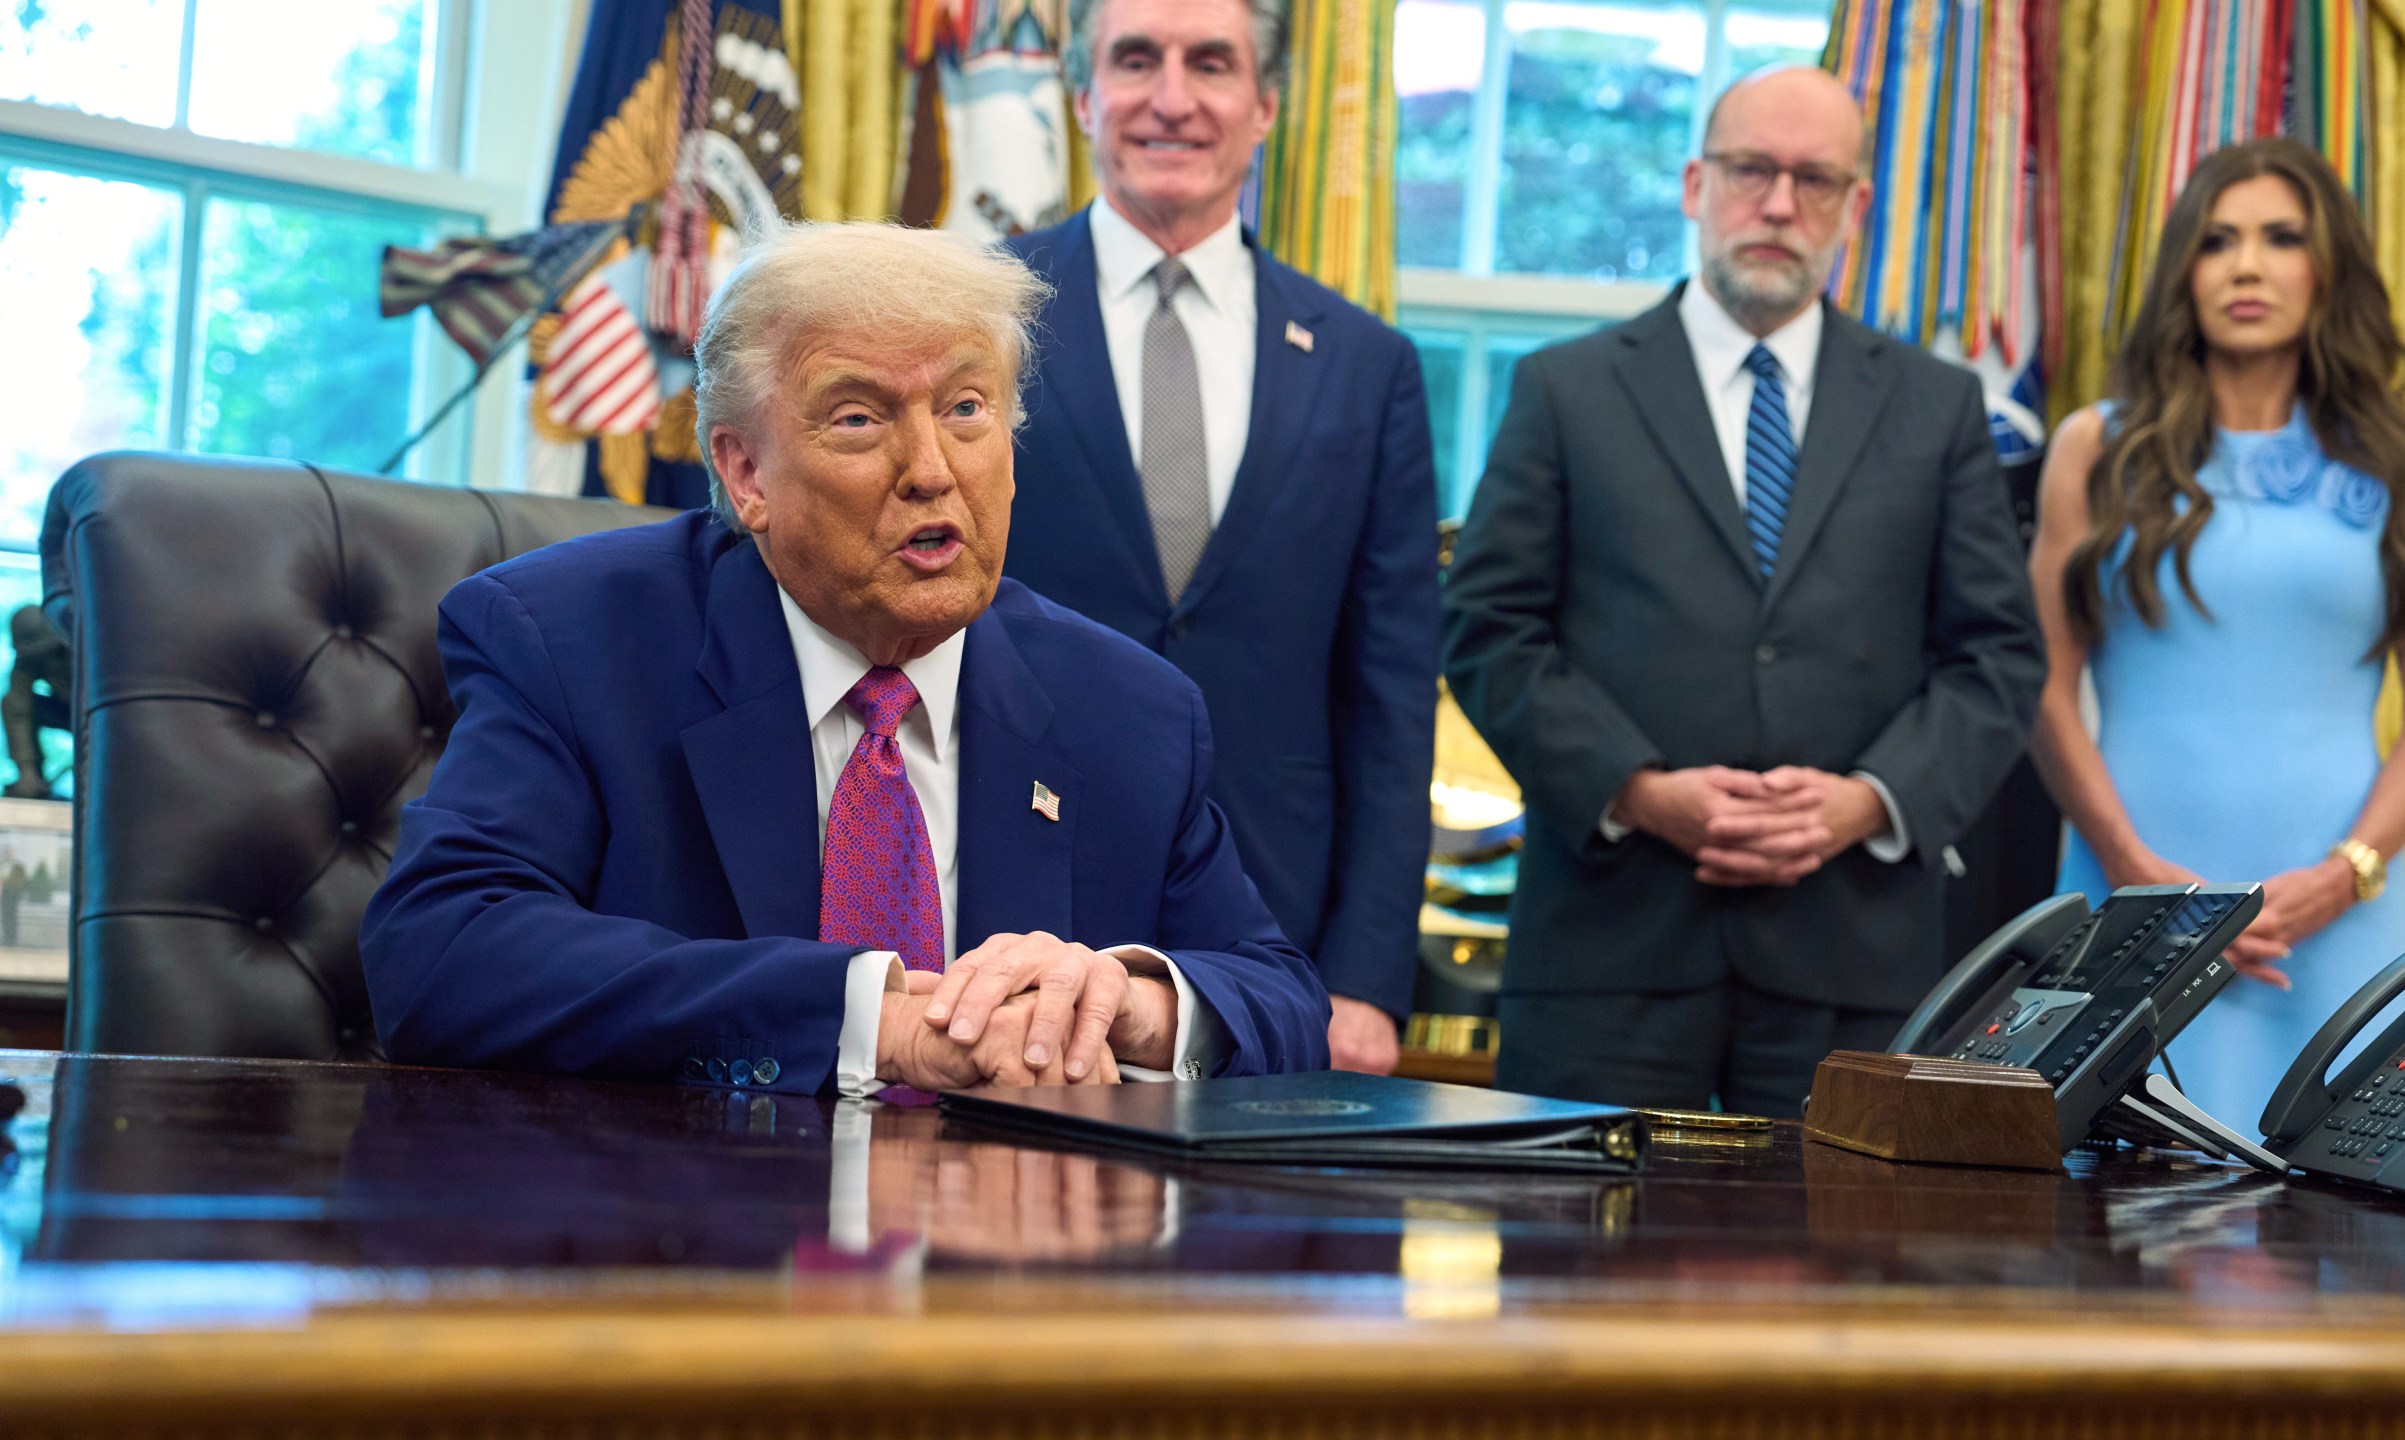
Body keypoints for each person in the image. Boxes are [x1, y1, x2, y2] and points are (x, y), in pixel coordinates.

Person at [361, 222, 1332, 1095]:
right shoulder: (573, 641)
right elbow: (443, 953)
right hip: (676, 1247)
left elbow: (1279, 998)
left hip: (1010, 1265)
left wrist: (1132, 1003)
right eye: (860, 419)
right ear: (746, 473)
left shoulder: (1127, 707)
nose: (932, 470)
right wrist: (877, 1022)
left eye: (965, 408)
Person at [1440, 66, 2044, 1115]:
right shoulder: (1566, 390)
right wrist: (1636, 791)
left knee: (1836, 1277)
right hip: (1607, 955)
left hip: (1853, 963)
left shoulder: (1936, 408)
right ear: (1691, 184)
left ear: (1855, 208)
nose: (1777, 205)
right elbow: (1488, 630)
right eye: (1751, 170)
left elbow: (1996, 657)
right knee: (1586, 1273)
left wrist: (1868, 802)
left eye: (1814, 181)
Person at [1001, 0, 1438, 1075]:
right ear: (1082, 92)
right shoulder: (979, 319)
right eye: (1135, 60)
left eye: (1211, 64)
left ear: (1266, 105)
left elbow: (1389, 692)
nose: (1173, 98)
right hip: (1004, 907)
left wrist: (1367, 976)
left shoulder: (1364, 362)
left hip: (1272, 946)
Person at [2031, 137, 2405, 1129]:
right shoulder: (2095, 448)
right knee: (2110, 1241)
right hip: (2130, 900)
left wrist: (2340, 877)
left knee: (2346, 1242)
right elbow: (2042, 689)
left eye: (2280, 238)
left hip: (2337, 915)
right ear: (2184, 270)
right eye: (2217, 241)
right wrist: (2140, 878)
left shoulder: (2402, 455)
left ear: (2327, 270)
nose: (2246, 265)